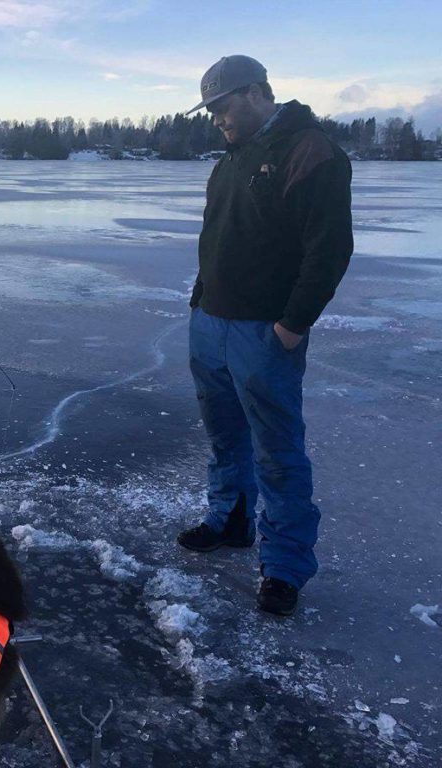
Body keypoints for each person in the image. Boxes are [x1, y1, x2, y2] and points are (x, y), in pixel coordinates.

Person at [177, 56, 353, 616]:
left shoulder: (311, 150)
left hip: (265, 331)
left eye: (222, 107)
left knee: (276, 451)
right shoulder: (233, 157)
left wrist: (293, 323)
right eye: (211, 111)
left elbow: (329, 250)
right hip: (211, 321)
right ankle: (229, 520)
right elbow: (220, 234)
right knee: (224, 433)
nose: (217, 120)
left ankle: (284, 566)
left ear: (256, 93)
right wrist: (201, 298)